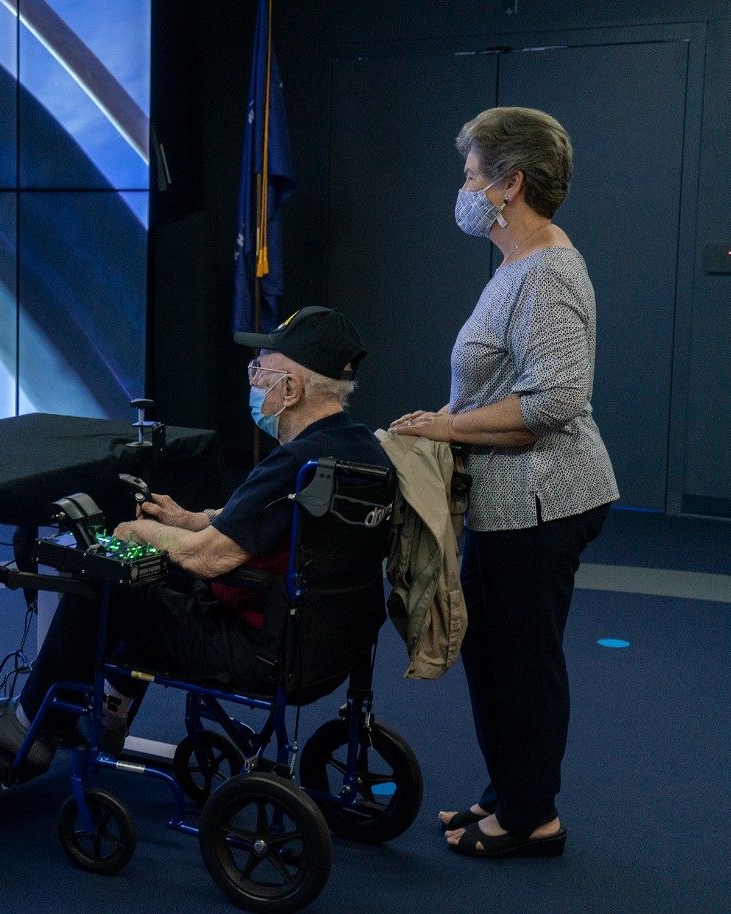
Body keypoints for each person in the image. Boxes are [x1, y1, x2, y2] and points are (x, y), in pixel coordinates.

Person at [0, 306, 390, 772]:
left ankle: (28, 726)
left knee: (108, 587)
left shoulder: (291, 464)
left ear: (290, 389)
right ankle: (109, 714)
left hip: (262, 650)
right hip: (332, 644)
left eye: (260, 370)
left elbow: (205, 559)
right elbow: (259, 526)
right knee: (157, 583)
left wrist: (138, 530)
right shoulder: (359, 450)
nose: (252, 380)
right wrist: (187, 518)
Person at [390, 106, 618, 859]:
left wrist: (449, 430)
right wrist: (447, 412)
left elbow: (554, 402)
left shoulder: (547, 272)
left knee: (522, 663)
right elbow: (505, 380)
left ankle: (531, 820)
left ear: (507, 185)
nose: (462, 188)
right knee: (492, 652)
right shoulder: (516, 267)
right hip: (511, 498)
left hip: (545, 499)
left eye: (469, 175)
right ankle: (507, 796)